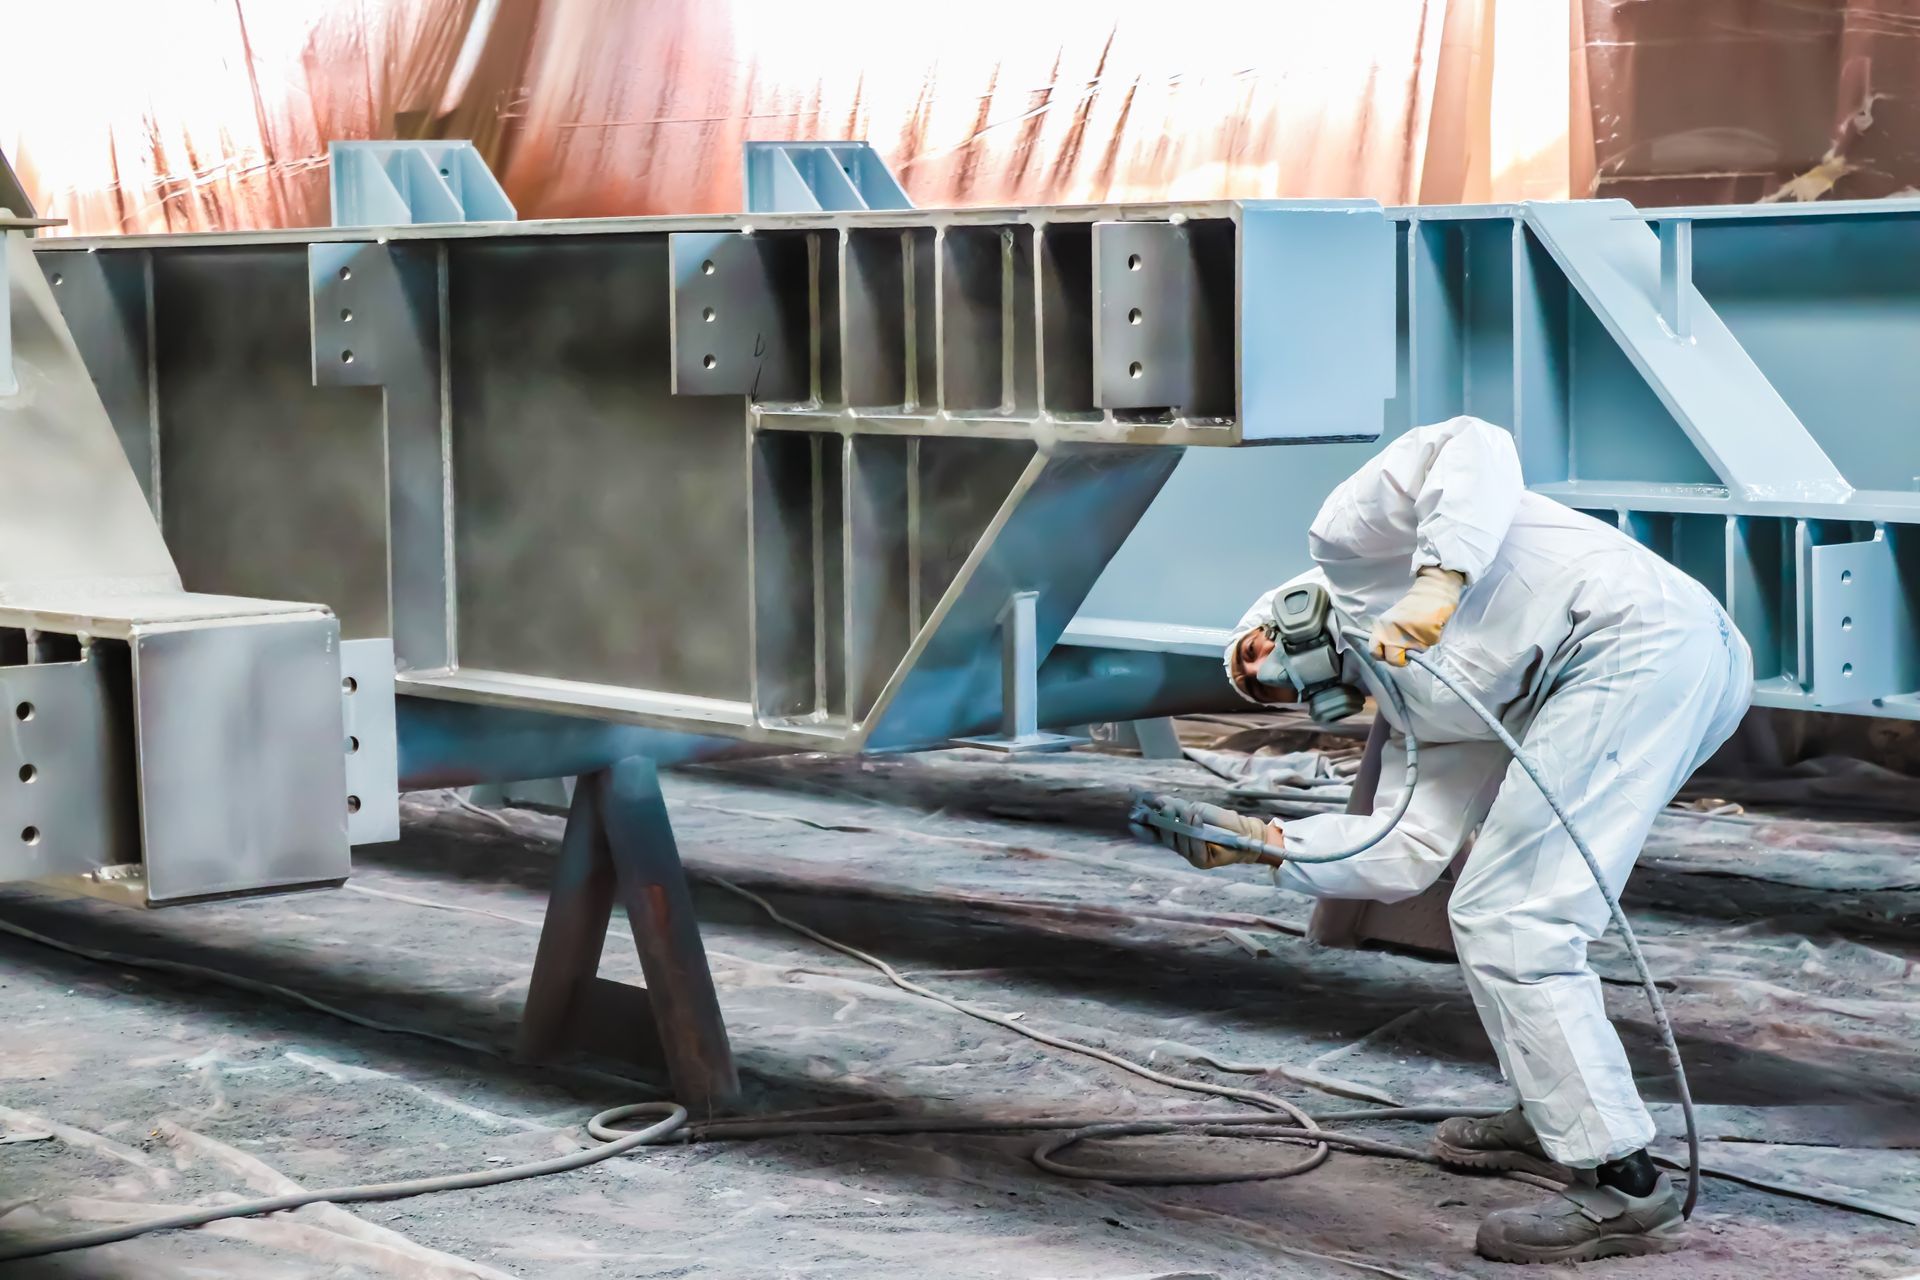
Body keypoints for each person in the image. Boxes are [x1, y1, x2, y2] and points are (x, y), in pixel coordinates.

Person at [1171, 415, 1751, 1264]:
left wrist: (1438, 582)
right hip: (1633, 670)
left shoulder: (1348, 545)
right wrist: (1266, 843)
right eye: (1263, 698)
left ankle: (1624, 1186)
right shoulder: (1420, 711)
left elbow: (1473, 442)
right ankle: (1555, 1108)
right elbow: (1406, 846)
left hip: (1634, 640)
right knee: (1492, 907)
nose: (1277, 681)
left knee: (1517, 914)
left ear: (1278, 618)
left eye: (1260, 662)